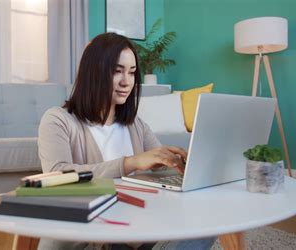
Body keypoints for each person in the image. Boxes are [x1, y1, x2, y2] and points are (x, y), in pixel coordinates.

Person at [38, 32, 215, 250]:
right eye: (117, 71)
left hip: (137, 226)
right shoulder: (57, 119)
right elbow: (55, 177)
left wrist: (183, 164)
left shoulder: (135, 125)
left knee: (208, 224)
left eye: (132, 73)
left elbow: (157, 164)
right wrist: (129, 163)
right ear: (94, 72)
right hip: (92, 235)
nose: (126, 81)